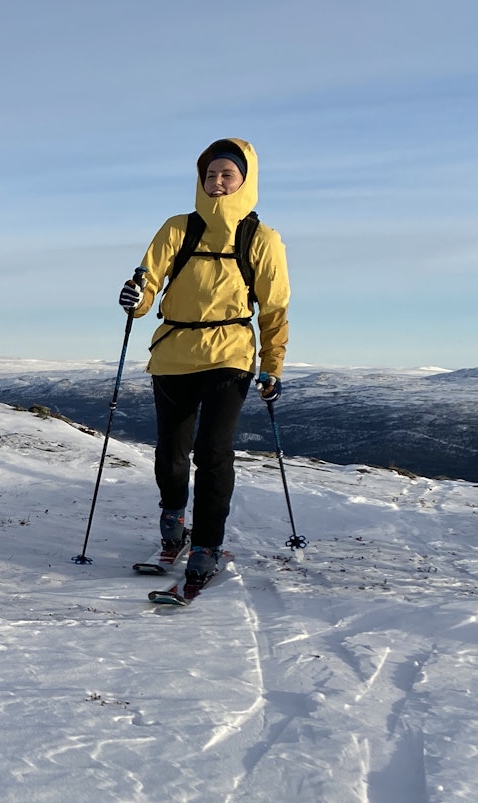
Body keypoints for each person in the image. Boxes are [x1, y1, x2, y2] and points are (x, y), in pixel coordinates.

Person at [117, 137, 290, 592]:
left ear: (245, 180)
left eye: (227, 174)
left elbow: (274, 309)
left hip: (230, 353)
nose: (217, 182)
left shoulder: (262, 239)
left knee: (213, 451)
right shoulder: (178, 228)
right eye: (210, 174)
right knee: (171, 452)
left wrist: (272, 364)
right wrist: (135, 299)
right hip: (173, 352)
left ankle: (206, 545)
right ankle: (173, 523)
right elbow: (148, 282)